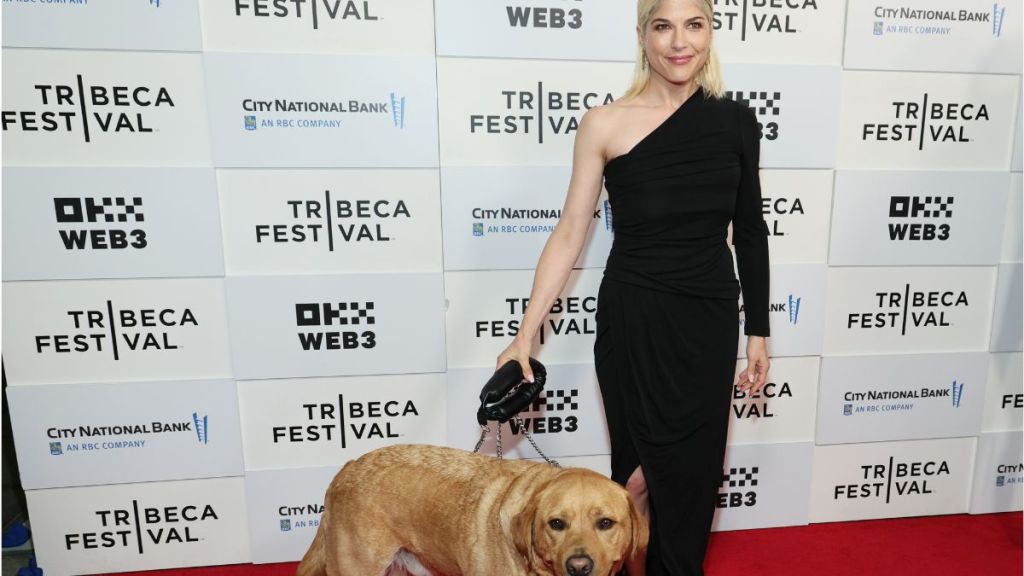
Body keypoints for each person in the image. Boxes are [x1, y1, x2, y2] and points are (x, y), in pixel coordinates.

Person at [495, 0, 771, 574]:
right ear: (642, 35)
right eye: (663, 26)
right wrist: (525, 336)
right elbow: (571, 231)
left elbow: (749, 229)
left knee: (693, 479)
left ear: (710, 32)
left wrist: (759, 332)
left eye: (694, 25)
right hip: (633, 317)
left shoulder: (737, 120)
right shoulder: (604, 122)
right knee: (635, 475)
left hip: (706, 319)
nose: (679, 42)